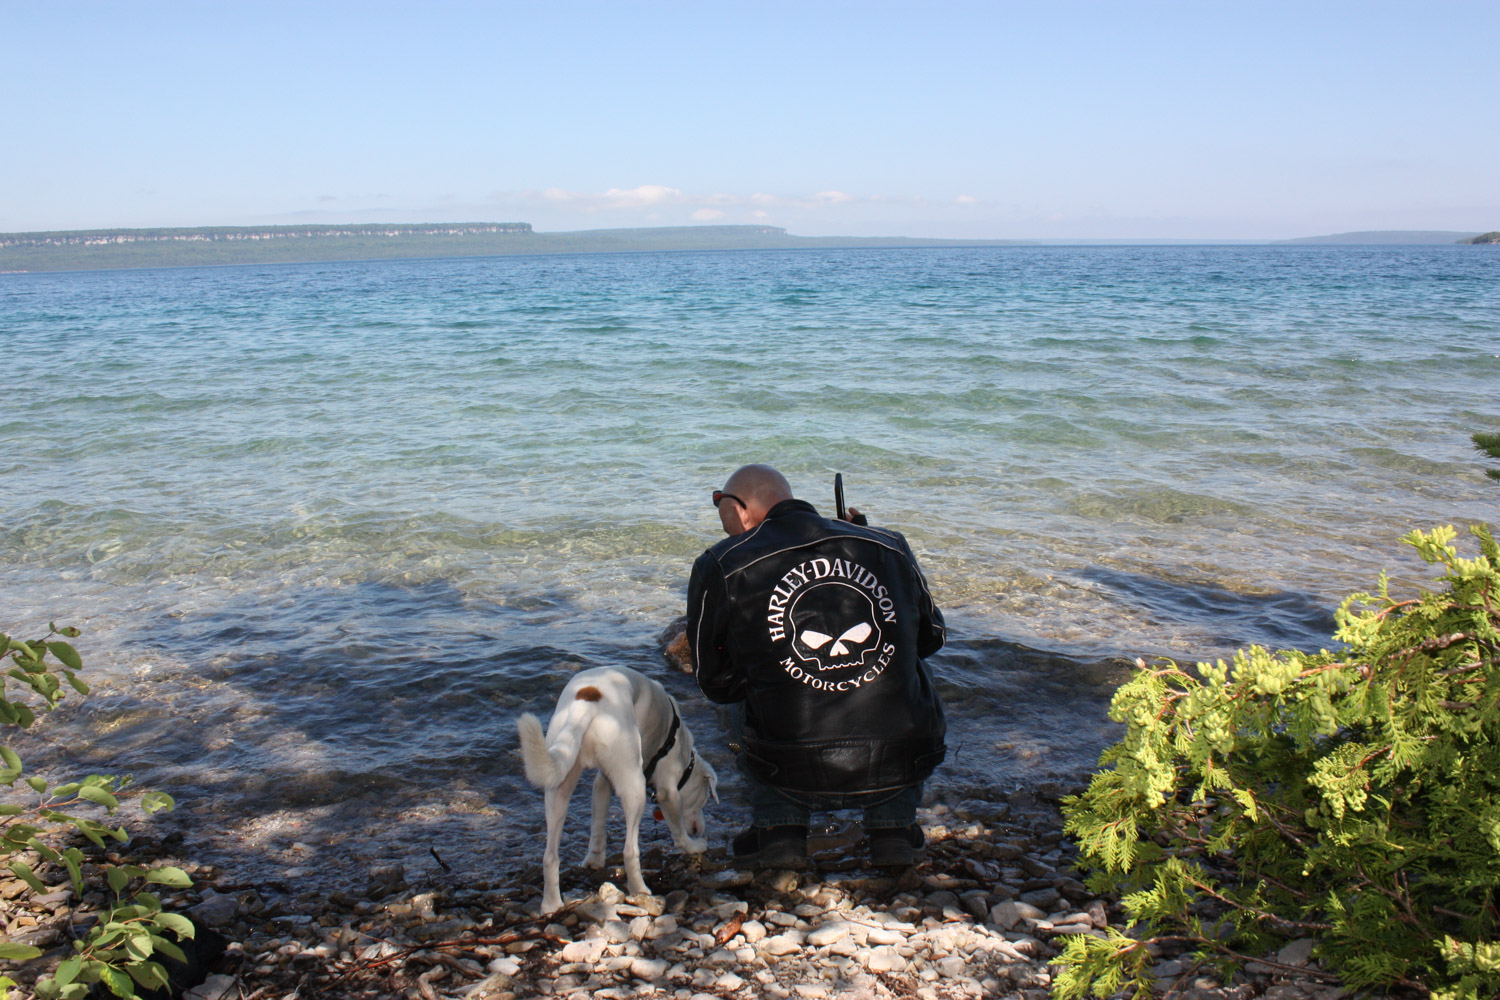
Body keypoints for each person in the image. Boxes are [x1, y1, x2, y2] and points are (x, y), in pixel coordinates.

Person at [686, 464, 947, 868]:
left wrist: (769, 665)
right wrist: (867, 542)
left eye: (718, 502)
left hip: (786, 764)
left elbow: (714, 683)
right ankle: (893, 830)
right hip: (900, 757)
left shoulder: (720, 563)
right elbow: (933, 638)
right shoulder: (890, 546)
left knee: (746, 691)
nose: (720, 518)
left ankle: (780, 831)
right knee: (910, 664)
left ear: (740, 510)